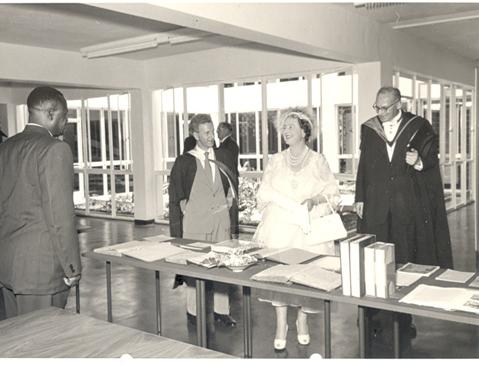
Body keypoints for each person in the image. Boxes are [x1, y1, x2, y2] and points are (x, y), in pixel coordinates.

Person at [354, 86, 453, 353]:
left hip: (404, 206)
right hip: (376, 205)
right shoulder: (370, 128)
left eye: (385, 108)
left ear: (399, 105)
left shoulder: (419, 126)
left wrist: (419, 160)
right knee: (373, 259)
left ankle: (403, 317)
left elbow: (431, 159)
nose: (380, 113)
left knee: (405, 258)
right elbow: (364, 166)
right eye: (377, 107)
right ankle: (372, 316)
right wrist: (359, 197)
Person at [253, 107, 340, 350]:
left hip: (307, 227)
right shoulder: (275, 160)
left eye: (291, 126)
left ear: (304, 131)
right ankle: (282, 324)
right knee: (279, 275)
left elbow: (332, 193)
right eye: (283, 127)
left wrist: (314, 200)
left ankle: (302, 319)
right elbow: (263, 192)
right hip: (279, 226)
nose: (285, 131)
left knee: (307, 275)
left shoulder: (317, 160)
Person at [0, 86, 81, 318]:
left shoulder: (5, 148)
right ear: (51, 113)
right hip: (40, 269)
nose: (65, 124)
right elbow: (60, 215)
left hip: (7, 265)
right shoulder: (56, 149)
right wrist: (72, 267)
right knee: (42, 343)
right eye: (65, 117)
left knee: (17, 342)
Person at [169, 113, 238, 327]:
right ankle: (193, 311)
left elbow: (233, 187)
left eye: (212, 131)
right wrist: (182, 224)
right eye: (206, 132)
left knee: (222, 265)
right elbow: (177, 195)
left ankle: (221, 311)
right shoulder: (184, 161)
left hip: (221, 222)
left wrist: (229, 210)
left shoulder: (223, 156)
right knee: (195, 268)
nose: (211, 136)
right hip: (196, 223)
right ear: (195, 135)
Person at [217, 122, 240, 238]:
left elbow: (226, 163)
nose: (216, 132)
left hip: (229, 180)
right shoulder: (223, 144)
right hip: (225, 180)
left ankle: (232, 233)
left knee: (231, 207)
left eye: (219, 129)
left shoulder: (230, 145)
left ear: (226, 130)